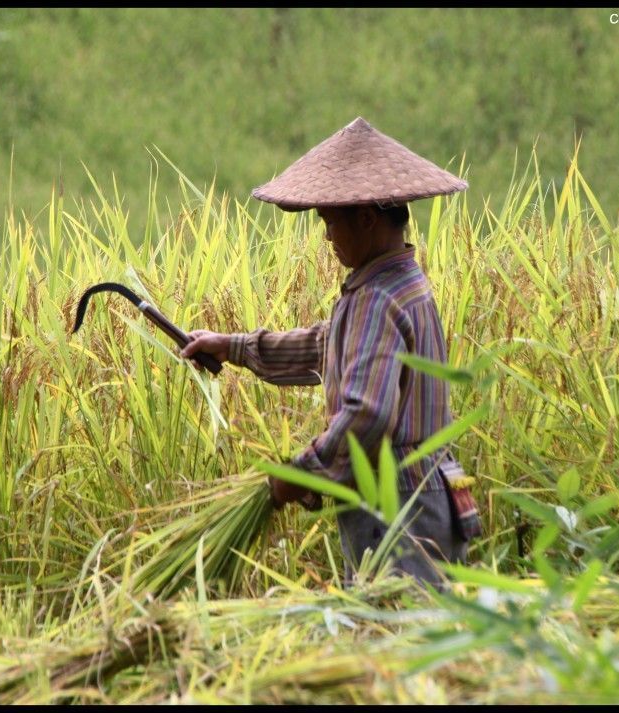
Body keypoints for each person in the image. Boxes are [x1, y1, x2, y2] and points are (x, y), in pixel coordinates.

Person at [180, 117, 481, 587]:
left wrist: (301, 474)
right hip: (431, 493)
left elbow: (367, 414)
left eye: (329, 221)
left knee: (393, 637)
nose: (326, 237)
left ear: (365, 218)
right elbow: (328, 345)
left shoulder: (378, 299)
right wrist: (232, 346)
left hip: (397, 506)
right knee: (423, 639)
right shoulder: (401, 283)